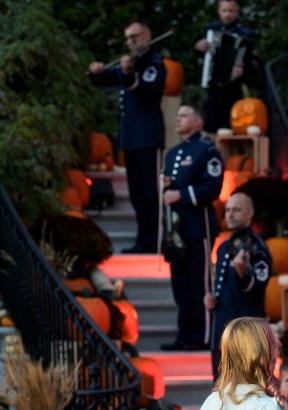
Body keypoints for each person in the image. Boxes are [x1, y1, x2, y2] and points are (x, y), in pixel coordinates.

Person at [89, 20, 165, 254]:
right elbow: (105, 79)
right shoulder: (129, 64)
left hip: (148, 137)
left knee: (150, 192)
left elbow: (149, 92)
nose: (131, 42)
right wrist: (96, 71)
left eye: (135, 37)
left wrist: (129, 75)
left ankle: (154, 239)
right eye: (128, 39)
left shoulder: (154, 64)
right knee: (137, 194)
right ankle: (142, 239)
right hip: (131, 138)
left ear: (147, 35)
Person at [160, 104, 224, 351]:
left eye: (184, 115)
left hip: (199, 228)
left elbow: (212, 188)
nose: (178, 119)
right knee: (181, 285)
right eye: (177, 115)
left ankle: (201, 336)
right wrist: (165, 186)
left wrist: (180, 195)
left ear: (198, 122)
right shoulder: (173, 153)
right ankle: (184, 334)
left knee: (199, 284)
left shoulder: (207, 151)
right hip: (175, 232)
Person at [206, 192, 270, 377]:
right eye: (227, 210)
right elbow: (223, 285)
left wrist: (243, 273)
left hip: (244, 334)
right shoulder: (224, 247)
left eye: (236, 210)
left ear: (250, 213)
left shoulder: (258, 248)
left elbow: (258, 285)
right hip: (221, 330)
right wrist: (212, 299)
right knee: (219, 390)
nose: (230, 214)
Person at [195, 0, 256, 133]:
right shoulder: (211, 30)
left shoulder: (245, 34)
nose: (227, 15)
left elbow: (252, 63)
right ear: (219, 11)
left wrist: (243, 71)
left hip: (233, 88)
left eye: (231, 11)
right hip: (214, 85)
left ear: (237, 12)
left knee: (231, 125)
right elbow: (200, 56)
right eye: (224, 11)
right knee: (211, 125)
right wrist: (199, 47)